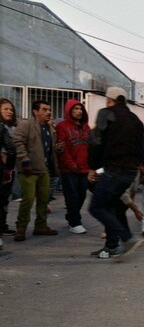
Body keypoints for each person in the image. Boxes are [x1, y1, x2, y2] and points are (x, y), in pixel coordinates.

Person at [87, 87, 144, 258]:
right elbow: (140, 147)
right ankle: (111, 246)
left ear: (109, 100)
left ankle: (127, 238)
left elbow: (96, 142)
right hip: (130, 172)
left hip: (113, 170)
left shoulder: (106, 113)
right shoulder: (135, 119)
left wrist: (93, 167)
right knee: (111, 207)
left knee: (97, 207)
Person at [13, 100, 61, 241]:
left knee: (44, 199)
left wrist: (57, 148)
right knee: (27, 199)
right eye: (44, 109)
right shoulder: (27, 125)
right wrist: (24, 160)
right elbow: (17, 141)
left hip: (43, 169)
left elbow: (48, 148)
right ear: (35, 111)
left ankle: (41, 226)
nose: (48, 112)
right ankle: (21, 228)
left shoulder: (50, 129)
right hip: (29, 169)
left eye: (49, 109)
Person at [56, 99, 91, 234]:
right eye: (75, 109)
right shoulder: (62, 126)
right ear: (69, 111)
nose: (79, 111)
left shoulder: (86, 128)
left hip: (84, 168)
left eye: (80, 109)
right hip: (69, 169)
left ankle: (72, 216)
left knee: (81, 195)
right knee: (72, 195)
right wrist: (70, 163)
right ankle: (75, 222)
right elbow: (62, 148)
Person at [0, 98, 17, 248]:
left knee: (4, 199)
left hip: (7, 170)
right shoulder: (3, 128)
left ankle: (2, 225)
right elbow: (11, 149)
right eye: (5, 109)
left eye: (11, 109)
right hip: (5, 169)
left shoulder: (10, 128)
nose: (9, 111)